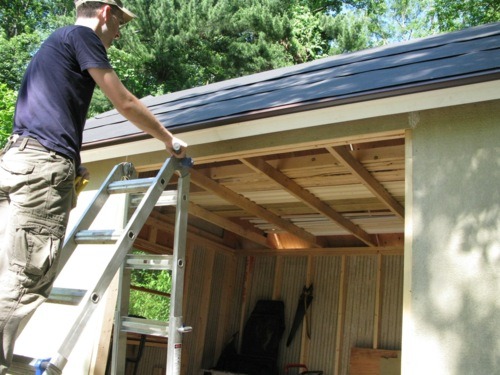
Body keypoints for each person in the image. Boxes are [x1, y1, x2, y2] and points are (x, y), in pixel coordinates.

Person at [0, 0, 187, 372]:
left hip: (16, 162)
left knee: (9, 270)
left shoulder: (55, 43)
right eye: (119, 23)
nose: (119, 33)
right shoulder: (84, 37)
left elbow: (48, 117)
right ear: (105, 12)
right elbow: (124, 101)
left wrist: (72, 163)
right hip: (42, 167)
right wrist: (168, 139)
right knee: (25, 280)